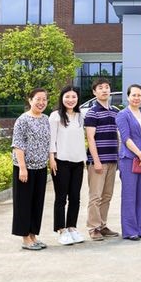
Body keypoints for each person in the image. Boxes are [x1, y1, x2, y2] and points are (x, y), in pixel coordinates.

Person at [12, 88, 50, 250]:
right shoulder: (23, 120)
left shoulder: (46, 119)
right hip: (25, 169)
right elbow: (18, 145)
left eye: (44, 99)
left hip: (41, 167)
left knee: (37, 203)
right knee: (24, 204)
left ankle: (33, 236)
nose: (41, 102)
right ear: (30, 100)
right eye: (38, 99)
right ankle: (25, 238)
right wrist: (22, 168)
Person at [48, 86, 86, 246]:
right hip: (61, 161)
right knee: (61, 198)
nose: (71, 100)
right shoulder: (55, 116)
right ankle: (61, 230)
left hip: (78, 162)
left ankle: (72, 227)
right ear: (62, 98)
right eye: (67, 97)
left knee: (75, 197)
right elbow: (51, 139)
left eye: (74, 97)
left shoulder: (80, 116)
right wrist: (52, 158)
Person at [84, 77, 120, 241]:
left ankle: (102, 225)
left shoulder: (115, 111)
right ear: (94, 92)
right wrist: (96, 161)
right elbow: (90, 138)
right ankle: (93, 228)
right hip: (98, 161)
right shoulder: (92, 112)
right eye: (100, 88)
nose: (104, 90)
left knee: (107, 195)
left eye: (106, 87)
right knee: (96, 196)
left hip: (112, 160)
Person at [117, 84, 141, 241]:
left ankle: (139, 228)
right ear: (128, 97)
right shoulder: (122, 115)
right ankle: (129, 230)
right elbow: (126, 138)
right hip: (129, 159)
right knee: (129, 195)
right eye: (134, 95)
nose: (137, 98)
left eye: (139, 95)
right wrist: (140, 154)